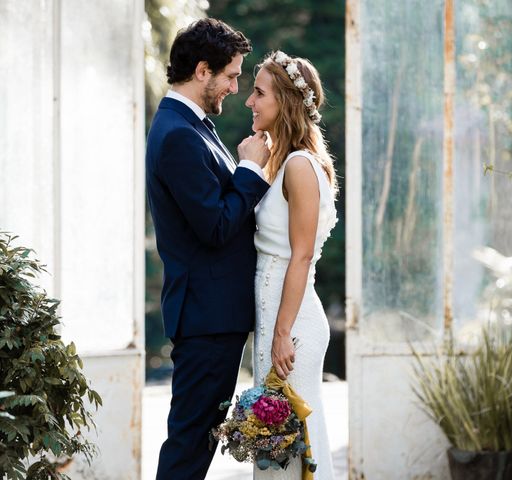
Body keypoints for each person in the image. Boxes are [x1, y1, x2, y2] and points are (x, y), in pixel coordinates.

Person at [145, 18, 271, 480]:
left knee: (196, 439)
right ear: (203, 70)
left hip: (213, 315)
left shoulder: (190, 124)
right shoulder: (179, 134)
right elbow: (215, 226)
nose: (236, 88)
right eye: (232, 75)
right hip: (205, 317)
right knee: (190, 443)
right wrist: (249, 172)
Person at [245, 51, 338, 480]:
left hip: (293, 325)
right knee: (277, 448)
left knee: (294, 445)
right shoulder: (280, 163)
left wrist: (282, 333)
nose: (250, 101)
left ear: (284, 101)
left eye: (259, 92)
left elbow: (300, 255)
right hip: (276, 320)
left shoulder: (300, 166)